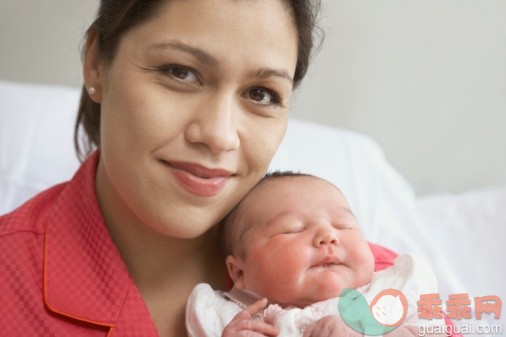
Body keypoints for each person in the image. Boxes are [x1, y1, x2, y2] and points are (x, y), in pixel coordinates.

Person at [0, 1, 449, 337]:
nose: (218, 135)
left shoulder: (369, 280)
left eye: (260, 94)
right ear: (97, 61)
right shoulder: (9, 285)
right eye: (180, 72)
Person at [186, 172, 444, 337]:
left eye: (343, 225)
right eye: (293, 229)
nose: (329, 235)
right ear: (239, 272)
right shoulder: (237, 319)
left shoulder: (390, 291)